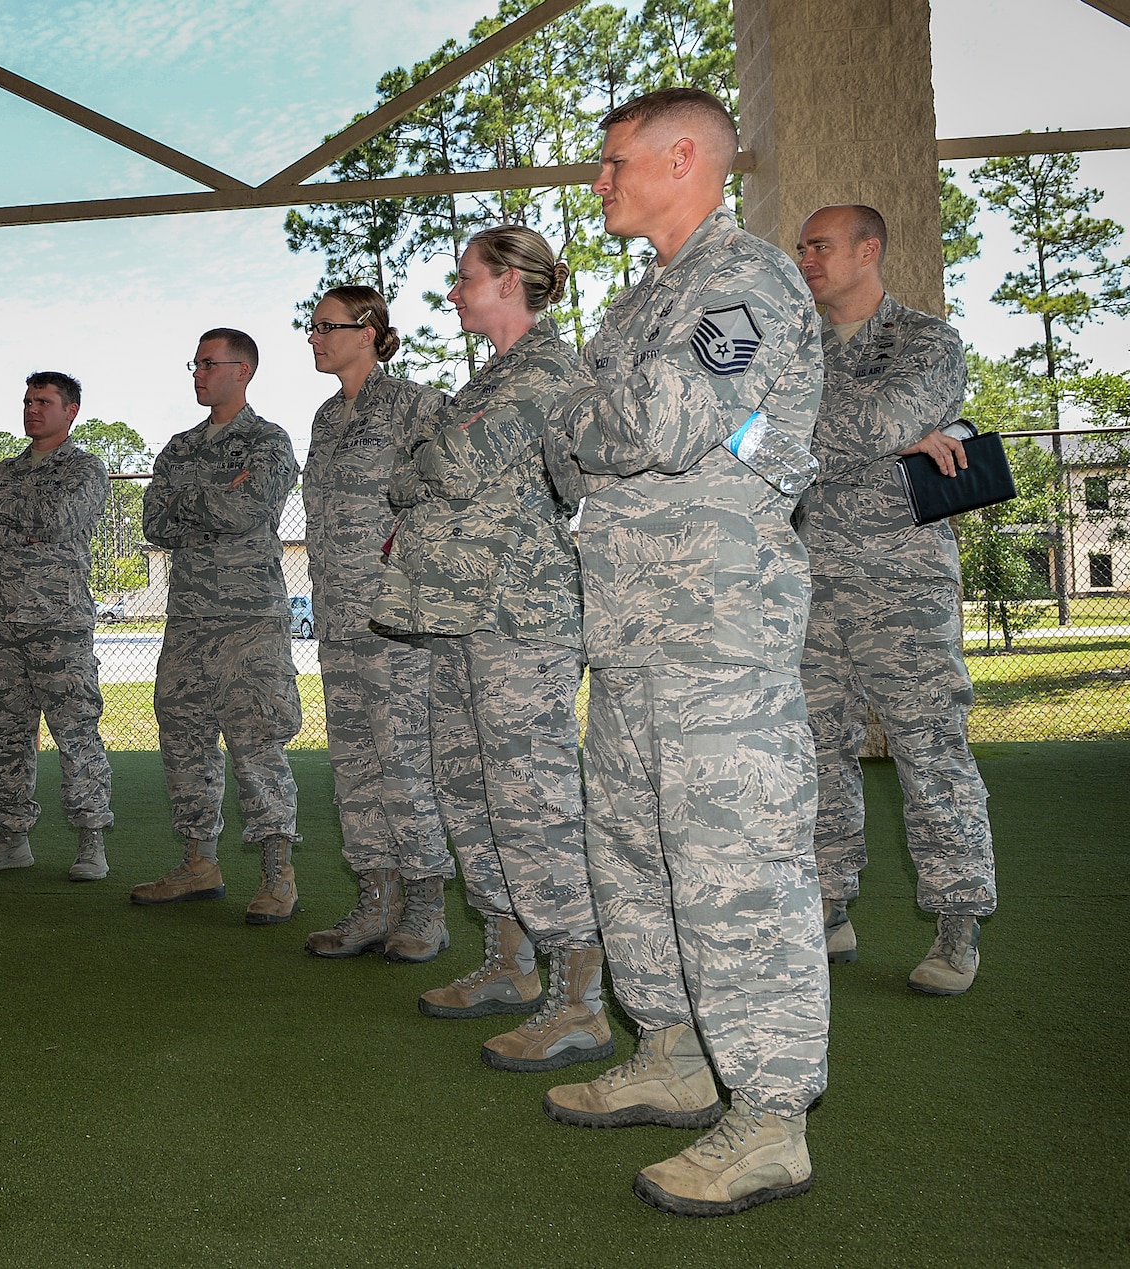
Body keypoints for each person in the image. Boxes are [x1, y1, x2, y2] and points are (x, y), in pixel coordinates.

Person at [540, 89, 830, 1217]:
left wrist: (581, 418)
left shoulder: (742, 280)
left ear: (679, 158)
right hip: (627, 634)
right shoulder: (636, 308)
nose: (598, 182)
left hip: (718, 633)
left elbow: (647, 426)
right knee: (635, 857)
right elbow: (576, 460)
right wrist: (589, 422)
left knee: (735, 873)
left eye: (613, 163)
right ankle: (671, 1050)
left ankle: (768, 1118)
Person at [372, 226, 610, 1072]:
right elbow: (410, 471)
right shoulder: (492, 377)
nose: (455, 290)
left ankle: (580, 994)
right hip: (460, 614)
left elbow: (456, 464)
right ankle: (509, 960)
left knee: (532, 799)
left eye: (466, 276)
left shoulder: (549, 369)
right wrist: (424, 461)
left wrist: (425, 457)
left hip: (522, 619)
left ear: (510, 281)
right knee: (467, 789)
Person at [795, 203, 996, 993]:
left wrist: (867, 432)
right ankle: (827, 905)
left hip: (902, 585)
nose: (806, 258)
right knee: (814, 753)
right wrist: (888, 438)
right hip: (809, 581)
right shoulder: (793, 346)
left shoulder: (926, 341)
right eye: (803, 246)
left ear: (868, 249)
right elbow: (747, 432)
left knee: (929, 750)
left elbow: (867, 417)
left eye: (821, 245)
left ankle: (957, 926)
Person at [300, 285, 452, 962]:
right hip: (337, 620)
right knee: (354, 764)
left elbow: (450, 491)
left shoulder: (414, 404)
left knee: (403, 763)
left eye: (327, 326)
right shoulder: (326, 418)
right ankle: (374, 898)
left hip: (396, 621)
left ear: (369, 330)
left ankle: (425, 904)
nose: (314, 337)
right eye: (311, 326)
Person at [131, 328, 304, 921]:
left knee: (256, 742)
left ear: (244, 371)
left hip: (248, 620)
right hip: (187, 621)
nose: (199, 373)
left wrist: (193, 502)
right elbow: (154, 520)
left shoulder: (269, 441)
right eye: (195, 363)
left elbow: (248, 507)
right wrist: (211, 497)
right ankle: (198, 861)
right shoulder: (178, 447)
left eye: (210, 363)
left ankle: (277, 873)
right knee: (184, 740)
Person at [0, 372, 114, 880]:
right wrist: (21, 527)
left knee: (76, 734)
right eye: (27, 400)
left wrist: (7, 521)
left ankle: (91, 843)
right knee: (6, 735)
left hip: (60, 627)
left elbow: (60, 519)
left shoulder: (86, 469)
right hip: (5, 627)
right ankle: (11, 839)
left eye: (43, 401)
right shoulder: (3, 470)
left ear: (70, 411)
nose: (31, 409)